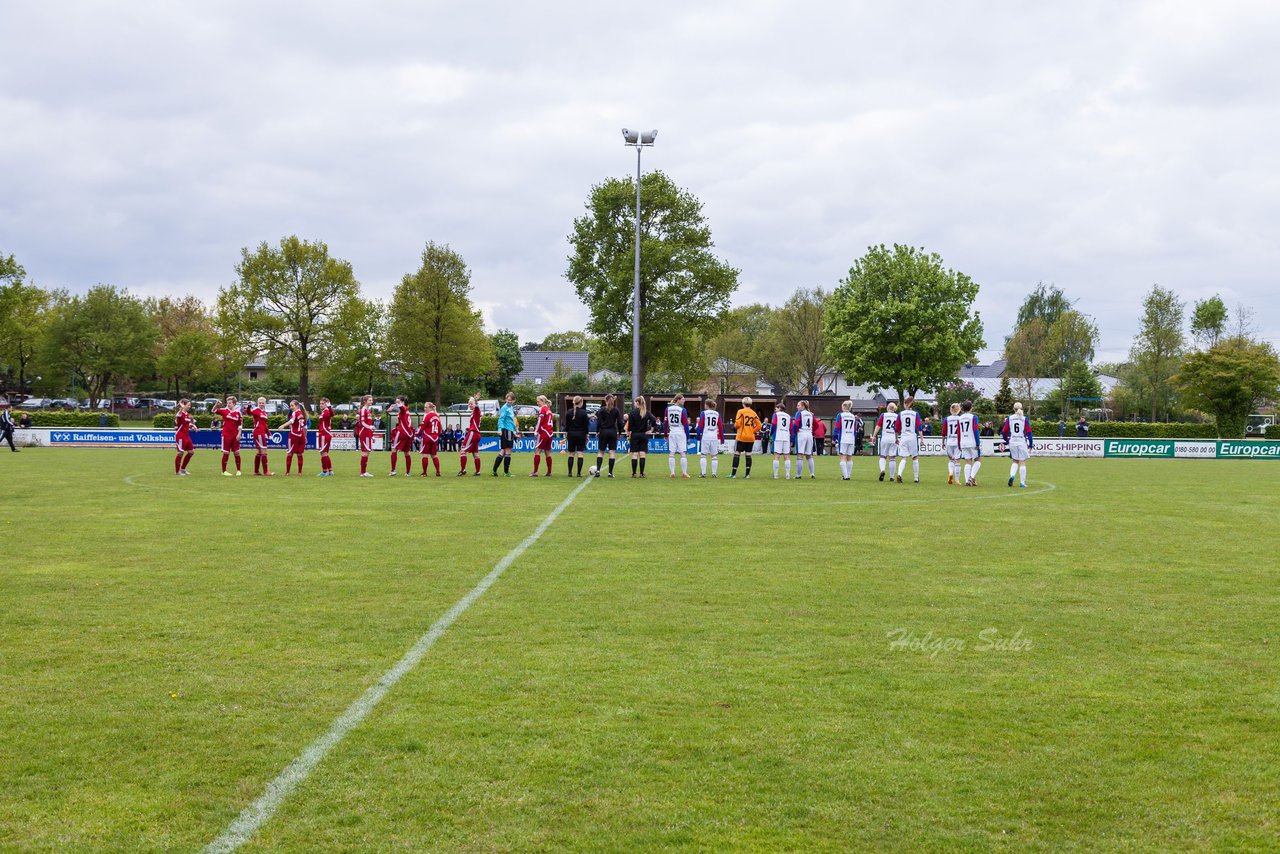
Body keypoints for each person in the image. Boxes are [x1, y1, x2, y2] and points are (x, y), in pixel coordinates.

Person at [1002, 401, 1034, 488]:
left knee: (1015, 461)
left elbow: (1004, 431)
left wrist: (1007, 440)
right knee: (1022, 462)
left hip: (1012, 441)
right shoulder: (1024, 419)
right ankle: (1022, 483)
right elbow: (1029, 433)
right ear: (1021, 408)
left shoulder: (1010, 418)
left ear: (1013, 409)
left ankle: (1012, 476)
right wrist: (1031, 444)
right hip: (1021, 441)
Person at [594, 393, 624, 477]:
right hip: (612, 432)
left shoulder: (601, 410)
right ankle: (610, 473)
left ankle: (598, 471)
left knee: (601, 452)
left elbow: (598, 422)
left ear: (605, 400)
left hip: (603, 432)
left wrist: (597, 431)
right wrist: (620, 433)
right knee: (612, 452)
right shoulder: (616, 410)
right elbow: (620, 423)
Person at [625, 395, 656, 477]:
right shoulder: (647, 412)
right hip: (643, 435)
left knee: (634, 454)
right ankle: (642, 473)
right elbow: (654, 420)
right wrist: (651, 429)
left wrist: (629, 433)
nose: (634, 404)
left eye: (635, 402)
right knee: (642, 454)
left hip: (635, 435)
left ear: (637, 403)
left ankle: (634, 473)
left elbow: (630, 425)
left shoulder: (632, 412)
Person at [212, 396, 244, 476]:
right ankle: (224, 471)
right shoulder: (224, 411)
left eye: (230, 403)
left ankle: (238, 470)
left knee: (236, 452)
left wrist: (239, 434)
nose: (228, 404)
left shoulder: (238, 413)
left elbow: (240, 425)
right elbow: (213, 411)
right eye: (227, 403)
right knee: (226, 452)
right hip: (226, 435)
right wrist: (217, 404)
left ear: (234, 404)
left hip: (235, 435)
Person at [731, 397, 761, 479]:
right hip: (751, 437)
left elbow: (737, 424)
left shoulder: (740, 411)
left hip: (741, 436)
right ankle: (747, 474)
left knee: (737, 453)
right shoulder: (754, 413)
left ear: (743, 404)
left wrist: (734, 427)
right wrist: (752, 431)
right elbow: (759, 425)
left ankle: (733, 474)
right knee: (748, 454)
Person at [664, 393, 691, 479]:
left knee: (671, 453)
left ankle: (672, 472)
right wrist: (688, 435)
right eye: (683, 399)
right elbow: (685, 424)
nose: (684, 400)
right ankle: (684, 473)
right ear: (678, 400)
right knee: (682, 453)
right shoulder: (682, 410)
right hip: (680, 432)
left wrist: (665, 434)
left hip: (672, 432)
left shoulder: (668, 409)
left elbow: (665, 423)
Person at [493, 392, 520, 476]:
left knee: (503, 451)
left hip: (510, 431)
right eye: (508, 400)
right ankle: (506, 472)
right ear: (506, 399)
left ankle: (494, 470)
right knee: (508, 451)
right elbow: (501, 419)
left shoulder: (510, 408)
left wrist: (516, 429)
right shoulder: (505, 408)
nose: (509, 401)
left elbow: (511, 421)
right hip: (506, 431)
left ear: (513, 400)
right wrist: (499, 429)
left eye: (511, 400)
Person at [871, 403, 899, 482]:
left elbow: (878, 426)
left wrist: (873, 436)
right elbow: (898, 429)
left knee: (883, 456)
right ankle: (892, 477)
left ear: (888, 408)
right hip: (893, 438)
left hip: (885, 438)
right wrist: (897, 438)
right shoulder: (897, 416)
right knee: (892, 457)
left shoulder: (884, 415)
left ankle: (882, 470)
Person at [896, 399, 923, 483]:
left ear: (905, 404)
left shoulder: (901, 414)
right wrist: (922, 439)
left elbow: (896, 428)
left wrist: (896, 438)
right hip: (912, 437)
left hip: (904, 437)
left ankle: (899, 474)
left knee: (903, 458)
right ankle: (915, 478)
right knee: (915, 457)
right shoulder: (915, 414)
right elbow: (919, 427)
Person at [386, 396, 414, 476]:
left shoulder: (403, 409)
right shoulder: (407, 410)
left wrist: (399, 405)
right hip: (409, 433)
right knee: (407, 453)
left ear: (402, 402)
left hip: (402, 432)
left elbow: (402, 408)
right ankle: (408, 472)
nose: (396, 403)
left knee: (394, 449)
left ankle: (393, 470)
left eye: (397, 402)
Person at [696, 399, 723, 477]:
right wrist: (722, 438)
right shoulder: (717, 414)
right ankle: (714, 473)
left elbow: (700, 426)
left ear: (707, 405)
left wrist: (698, 436)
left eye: (705, 404)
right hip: (714, 436)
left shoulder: (704, 413)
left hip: (706, 436)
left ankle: (703, 473)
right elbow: (720, 427)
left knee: (703, 455)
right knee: (714, 456)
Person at [529, 394, 555, 476]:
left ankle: (535, 472)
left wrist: (536, 431)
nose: (537, 403)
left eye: (538, 401)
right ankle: (549, 472)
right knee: (547, 452)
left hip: (544, 432)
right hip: (550, 433)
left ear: (543, 401)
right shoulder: (549, 410)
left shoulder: (542, 409)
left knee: (537, 451)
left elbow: (540, 421)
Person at [565, 395, 591, 477]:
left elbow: (567, 425)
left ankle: (570, 472)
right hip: (581, 434)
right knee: (580, 453)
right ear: (581, 402)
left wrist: (566, 434)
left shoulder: (569, 412)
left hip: (571, 434)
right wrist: (587, 436)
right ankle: (579, 473)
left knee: (571, 453)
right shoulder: (584, 413)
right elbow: (586, 426)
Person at [458, 395, 483, 476]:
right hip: (477, 433)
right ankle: (478, 471)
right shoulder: (475, 412)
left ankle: (462, 470)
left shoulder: (476, 410)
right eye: (469, 404)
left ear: (475, 404)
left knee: (462, 450)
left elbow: (477, 408)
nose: (470, 405)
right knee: (475, 453)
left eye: (471, 403)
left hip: (473, 432)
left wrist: (475, 400)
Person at [248, 397, 273, 476]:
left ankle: (256, 471)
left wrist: (269, 433)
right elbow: (249, 413)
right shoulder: (256, 410)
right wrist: (249, 406)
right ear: (257, 403)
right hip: (258, 432)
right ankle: (266, 471)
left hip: (261, 432)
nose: (261, 404)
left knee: (259, 452)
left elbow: (264, 425)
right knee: (264, 450)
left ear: (265, 403)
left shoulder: (264, 412)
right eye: (260, 403)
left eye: (263, 403)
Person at [959, 399, 982, 486]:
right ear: (971, 408)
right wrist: (977, 443)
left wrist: (959, 444)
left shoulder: (960, 418)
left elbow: (959, 433)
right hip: (972, 441)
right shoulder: (973, 417)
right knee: (978, 459)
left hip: (963, 442)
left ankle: (967, 481)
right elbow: (975, 430)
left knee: (968, 461)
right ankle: (971, 478)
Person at [834, 401, 859, 480]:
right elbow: (855, 429)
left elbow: (837, 426)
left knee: (842, 457)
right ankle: (848, 475)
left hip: (843, 438)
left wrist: (834, 437)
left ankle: (845, 476)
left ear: (844, 407)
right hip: (851, 438)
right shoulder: (853, 416)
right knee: (849, 458)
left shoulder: (840, 415)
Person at [418, 402, 443, 476]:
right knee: (434, 455)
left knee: (425, 455)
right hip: (435, 438)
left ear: (431, 408)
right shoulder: (437, 416)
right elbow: (440, 428)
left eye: (426, 407)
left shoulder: (427, 415)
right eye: (424, 407)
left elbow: (422, 427)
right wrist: (437, 435)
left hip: (427, 437)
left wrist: (417, 434)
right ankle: (438, 471)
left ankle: (424, 472)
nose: (425, 409)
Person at [793, 400, 817, 479]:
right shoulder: (810, 414)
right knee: (809, 455)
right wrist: (811, 430)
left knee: (800, 454)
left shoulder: (799, 413)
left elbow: (796, 424)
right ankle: (812, 473)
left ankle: (798, 475)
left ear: (803, 406)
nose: (797, 407)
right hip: (809, 434)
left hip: (802, 434)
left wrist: (796, 430)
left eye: (798, 405)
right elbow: (816, 424)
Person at [284, 399, 307, 475]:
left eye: (292, 405)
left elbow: (291, 421)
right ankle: (299, 472)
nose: (291, 407)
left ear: (297, 406)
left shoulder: (295, 413)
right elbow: (304, 426)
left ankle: (287, 472)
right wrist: (305, 436)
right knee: (299, 454)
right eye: (290, 406)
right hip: (301, 436)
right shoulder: (302, 414)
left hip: (294, 436)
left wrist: (283, 425)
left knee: (290, 453)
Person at [355, 394, 376, 477]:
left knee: (367, 452)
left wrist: (372, 435)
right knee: (365, 452)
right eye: (370, 400)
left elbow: (368, 423)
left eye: (372, 400)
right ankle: (363, 472)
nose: (371, 401)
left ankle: (364, 472)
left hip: (367, 433)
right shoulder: (363, 410)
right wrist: (370, 427)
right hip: (364, 433)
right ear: (365, 401)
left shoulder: (368, 410)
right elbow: (363, 423)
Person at [770, 405, 792, 479]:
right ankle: (788, 475)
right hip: (786, 436)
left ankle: (776, 475)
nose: (775, 409)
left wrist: (771, 432)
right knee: (786, 456)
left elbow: (774, 424)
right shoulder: (789, 416)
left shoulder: (776, 415)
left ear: (780, 408)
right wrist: (791, 438)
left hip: (778, 436)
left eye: (776, 408)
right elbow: (791, 427)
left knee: (776, 455)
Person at [943, 402, 963, 485]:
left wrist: (942, 442)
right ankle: (957, 480)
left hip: (949, 441)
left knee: (951, 459)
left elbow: (944, 431)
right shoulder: (960, 418)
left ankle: (951, 473)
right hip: (958, 442)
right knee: (957, 461)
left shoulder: (947, 419)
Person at [173, 398, 193, 473]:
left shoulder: (187, 415)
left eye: (190, 405)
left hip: (186, 435)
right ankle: (177, 471)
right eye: (188, 405)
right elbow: (178, 415)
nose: (189, 406)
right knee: (180, 453)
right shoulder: (180, 413)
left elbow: (186, 423)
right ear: (183, 405)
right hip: (180, 435)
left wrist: (192, 425)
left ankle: (183, 469)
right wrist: (181, 407)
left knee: (191, 452)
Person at [316, 397, 334, 476]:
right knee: (325, 453)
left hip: (324, 433)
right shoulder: (323, 412)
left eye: (322, 403)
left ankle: (324, 471)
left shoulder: (326, 411)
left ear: (326, 404)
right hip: (324, 433)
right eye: (320, 403)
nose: (321, 405)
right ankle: (330, 470)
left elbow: (332, 414)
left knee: (323, 453)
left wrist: (329, 406)